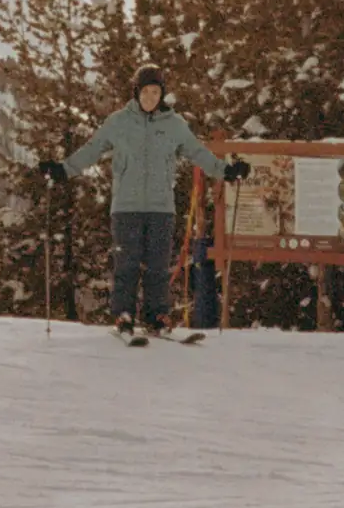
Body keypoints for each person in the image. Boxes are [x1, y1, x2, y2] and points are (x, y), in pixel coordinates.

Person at [41, 65, 250, 338]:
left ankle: (156, 316)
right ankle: (123, 314)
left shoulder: (174, 125)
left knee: (158, 266)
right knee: (126, 264)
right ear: (136, 93)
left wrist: (226, 171)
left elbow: (198, 153)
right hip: (126, 207)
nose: (150, 97)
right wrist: (63, 170)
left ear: (162, 94)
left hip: (161, 208)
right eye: (146, 91)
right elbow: (92, 149)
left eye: (156, 92)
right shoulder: (119, 122)